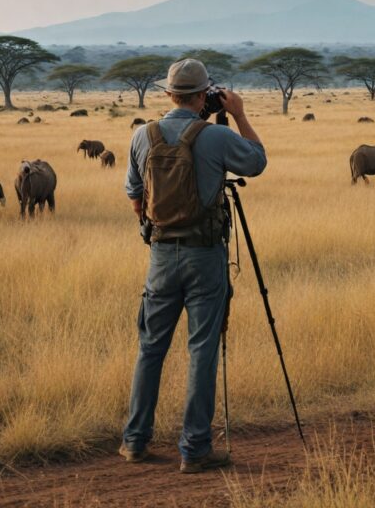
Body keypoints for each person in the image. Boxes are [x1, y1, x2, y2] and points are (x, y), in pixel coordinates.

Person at [120, 58, 267, 473]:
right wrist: (237, 114)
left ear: (167, 94)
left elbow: (134, 196)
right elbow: (256, 162)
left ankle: (134, 441)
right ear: (205, 95)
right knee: (201, 350)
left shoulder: (141, 135)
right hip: (205, 255)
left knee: (150, 348)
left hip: (161, 256)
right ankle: (195, 448)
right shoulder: (216, 135)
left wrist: (156, 232)